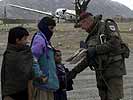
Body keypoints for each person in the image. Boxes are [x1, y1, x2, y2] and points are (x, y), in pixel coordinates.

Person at [67, 12, 130, 100]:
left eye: (82, 25)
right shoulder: (91, 36)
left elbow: (115, 43)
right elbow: (88, 58)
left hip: (113, 70)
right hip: (101, 71)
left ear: (87, 21)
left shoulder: (106, 26)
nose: (82, 28)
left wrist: (95, 49)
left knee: (113, 98)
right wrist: (74, 72)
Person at [31, 17, 59, 100]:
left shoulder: (45, 39)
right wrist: (39, 76)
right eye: (51, 28)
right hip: (42, 85)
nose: (52, 31)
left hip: (47, 84)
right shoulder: (39, 40)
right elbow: (32, 58)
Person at [1, 27, 33, 100]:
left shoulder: (26, 51)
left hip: (26, 90)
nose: (27, 41)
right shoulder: (10, 55)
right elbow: (6, 78)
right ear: (17, 40)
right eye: (25, 39)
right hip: (12, 93)